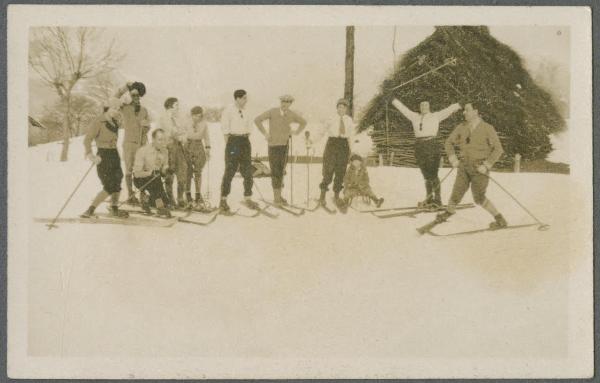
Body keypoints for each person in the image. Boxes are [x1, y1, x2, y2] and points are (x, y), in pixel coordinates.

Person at [438, 103, 507, 229]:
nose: (464, 112)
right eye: (464, 110)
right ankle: (449, 211)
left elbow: (498, 149)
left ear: (476, 111)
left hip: (479, 168)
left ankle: (500, 219)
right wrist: (453, 159)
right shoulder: (461, 127)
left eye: (467, 110)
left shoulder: (487, 128)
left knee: (479, 197)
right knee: (457, 191)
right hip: (464, 166)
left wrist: (486, 165)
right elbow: (448, 142)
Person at [391, 98, 461, 209]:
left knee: (433, 173)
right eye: (422, 105)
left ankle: (437, 200)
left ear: (429, 107)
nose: (423, 107)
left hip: (432, 145)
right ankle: (429, 198)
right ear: (420, 107)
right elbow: (403, 109)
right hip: (419, 147)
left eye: (426, 105)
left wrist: (459, 103)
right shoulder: (414, 117)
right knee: (426, 175)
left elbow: (449, 110)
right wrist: (392, 99)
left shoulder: (436, 116)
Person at [254, 94, 307, 205]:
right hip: (273, 146)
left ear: (290, 104)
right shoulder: (272, 111)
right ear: (280, 102)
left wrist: (296, 132)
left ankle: (279, 196)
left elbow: (303, 122)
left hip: (285, 146)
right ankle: (276, 198)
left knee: (281, 171)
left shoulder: (291, 114)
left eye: (287, 102)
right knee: (275, 171)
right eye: (283, 101)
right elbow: (257, 120)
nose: (285, 104)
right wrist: (265, 133)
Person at [80, 100, 129, 219]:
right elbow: (87, 140)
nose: (116, 111)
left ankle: (114, 208)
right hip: (103, 155)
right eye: (114, 108)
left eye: (118, 109)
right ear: (107, 107)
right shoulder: (98, 121)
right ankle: (90, 209)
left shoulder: (115, 122)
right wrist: (91, 155)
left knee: (117, 181)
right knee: (109, 185)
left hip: (114, 154)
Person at [219, 89, 259, 212]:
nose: (246, 100)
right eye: (244, 98)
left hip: (245, 141)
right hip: (233, 142)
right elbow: (225, 129)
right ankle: (223, 200)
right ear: (237, 98)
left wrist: (244, 141)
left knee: (247, 171)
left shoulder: (247, 111)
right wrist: (231, 147)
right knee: (230, 171)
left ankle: (248, 197)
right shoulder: (228, 111)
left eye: (246, 98)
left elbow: (249, 128)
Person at [113, 81, 151, 205]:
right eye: (133, 95)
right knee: (129, 170)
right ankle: (130, 195)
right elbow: (114, 99)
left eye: (137, 95)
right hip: (129, 144)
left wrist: (146, 126)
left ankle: (142, 194)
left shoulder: (144, 110)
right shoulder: (125, 108)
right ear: (130, 95)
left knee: (141, 170)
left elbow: (147, 128)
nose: (135, 97)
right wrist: (124, 87)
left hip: (141, 145)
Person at [316, 98, 355, 209]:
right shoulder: (331, 118)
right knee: (328, 169)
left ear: (346, 109)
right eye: (339, 107)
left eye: (344, 107)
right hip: (332, 144)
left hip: (344, 145)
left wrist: (353, 151)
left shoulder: (349, 120)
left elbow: (351, 136)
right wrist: (312, 140)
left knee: (340, 171)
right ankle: (322, 196)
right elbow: (321, 131)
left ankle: (336, 196)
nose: (341, 109)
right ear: (337, 108)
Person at [159, 97, 191, 209]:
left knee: (182, 173)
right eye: (176, 105)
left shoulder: (176, 118)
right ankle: (170, 199)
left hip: (178, 148)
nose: (178, 107)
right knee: (169, 175)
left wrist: (182, 134)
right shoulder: (163, 118)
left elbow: (184, 131)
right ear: (170, 106)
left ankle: (180, 198)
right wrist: (181, 135)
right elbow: (173, 132)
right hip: (168, 148)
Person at [132, 129, 172, 218]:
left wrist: (166, 172)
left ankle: (146, 200)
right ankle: (159, 207)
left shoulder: (165, 151)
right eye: (160, 139)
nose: (163, 142)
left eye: (164, 139)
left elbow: (164, 167)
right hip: (141, 179)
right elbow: (136, 174)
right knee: (156, 187)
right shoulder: (143, 151)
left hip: (156, 179)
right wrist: (149, 173)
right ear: (153, 140)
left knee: (166, 202)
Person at [186, 106, 211, 208]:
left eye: (200, 116)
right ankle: (187, 194)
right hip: (187, 145)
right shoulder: (186, 122)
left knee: (198, 171)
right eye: (195, 116)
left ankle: (197, 194)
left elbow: (207, 137)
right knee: (188, 171)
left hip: (199, 146)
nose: (197, 118)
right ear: (192, 115)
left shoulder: (204, 124)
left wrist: (208, 148)